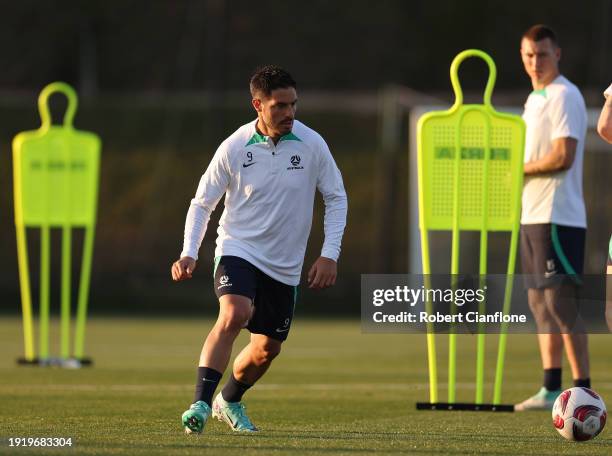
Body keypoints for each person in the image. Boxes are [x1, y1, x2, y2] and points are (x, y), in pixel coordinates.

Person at [171, 66, 348, 434]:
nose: (289, 113)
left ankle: (229, 400)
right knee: (235, 312)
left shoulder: (313, 144)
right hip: (239, 248)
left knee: (267, 349)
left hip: (284, 265)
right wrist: (190, 250)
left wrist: (329, 253)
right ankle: (201, 403)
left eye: (293, 104)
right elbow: (203, 203)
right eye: (280, 105)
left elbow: (336, 197)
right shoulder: (234, 146)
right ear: (258, 104)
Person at [514, 25, 590, 411]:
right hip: (533, 213)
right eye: (528, 55)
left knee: (562, 305)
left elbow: (564, 156)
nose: (535, 62)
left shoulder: (565, 95)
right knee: (538, 303)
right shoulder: (534, 99)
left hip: (560, 216)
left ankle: (585, 390)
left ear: (557, 54)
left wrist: (520, 169)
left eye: (541, 54)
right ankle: (549, 389)